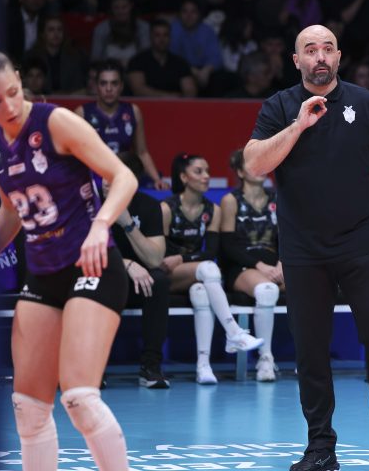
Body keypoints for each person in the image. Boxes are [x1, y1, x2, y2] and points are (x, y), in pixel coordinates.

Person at [244, 24, 369, 471]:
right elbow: (254, 163)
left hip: (360, 241)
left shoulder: (368, 103)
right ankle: (320, 446)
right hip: (303, 248)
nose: (320, 57)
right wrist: (298, 124)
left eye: (327, 49)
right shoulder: (280, 106)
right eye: (310, 50)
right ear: (297, 60)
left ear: (339, 57)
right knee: (311, 348)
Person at [0, 50, 137, 471]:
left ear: (20, 79)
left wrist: (101, 225)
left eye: (13, 92)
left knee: (80, 398)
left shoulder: (55, 122)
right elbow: (11, 211)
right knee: (28, 408)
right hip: (43, 274)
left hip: (93, 266)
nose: (8, 106)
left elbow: (123, 176)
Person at [161, 153, 263, 385]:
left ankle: (203, 365)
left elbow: (211, 252)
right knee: (209, 270)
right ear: (183, 177)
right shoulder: (167, 208)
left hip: (196, 273)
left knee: (202, 291)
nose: (206, 176)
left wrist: (183, 257)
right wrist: (180, 260)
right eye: (199, 172)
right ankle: (233, 332)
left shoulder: (213, 210)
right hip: (170, 275)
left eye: (207, 171)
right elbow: (162, 254)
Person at [103, 153, 170, 388]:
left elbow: (155, 259)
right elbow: (80, 249)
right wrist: (126, 264)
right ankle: (93, 368)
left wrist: (127, 224)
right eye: (103, 174)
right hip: (100, 273)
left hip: (137, 282)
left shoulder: (148, 206)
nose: (106, 182)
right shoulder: (89, 202)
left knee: (159, 280)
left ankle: (151, 366)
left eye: (112, 176)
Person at [219, 149, 282, 382]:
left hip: (274, 266)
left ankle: (311, 359)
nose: (260, 167)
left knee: (308, 286)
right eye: (252, 163)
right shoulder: (231, 201)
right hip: (242, 267)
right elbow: (228, 246)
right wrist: (259, 265)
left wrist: (282, 263)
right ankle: (265, 358)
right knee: (267, 291)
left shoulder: (277, 198)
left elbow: (287, 237)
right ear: (239, 172)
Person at [75, 60, 168, 189]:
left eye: (114, 83)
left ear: (121, 86)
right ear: (96, 86)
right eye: (103, 83)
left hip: (125, 176)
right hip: (93, 178)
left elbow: (142, 152)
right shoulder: (82, 113)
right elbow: (75, 155)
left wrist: (157, 179)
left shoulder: (133, 111)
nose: (109, 89)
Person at [127, 19, 198, 98]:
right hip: (145, 105)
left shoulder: (180, 63)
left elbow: (190, 91)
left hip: (176, 105)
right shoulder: (137, 61)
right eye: (157, 35)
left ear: (170, 37)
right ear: (150, 37)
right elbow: (138, 90)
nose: (162, 39)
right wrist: (168, 97)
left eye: (165, 35)